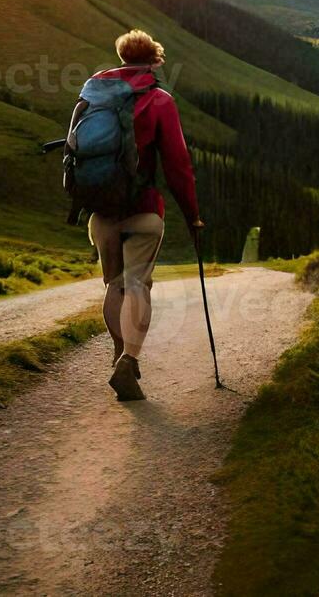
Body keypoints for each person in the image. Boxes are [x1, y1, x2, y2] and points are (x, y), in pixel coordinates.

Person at [86, 29, 202, 402]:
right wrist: (192, 215)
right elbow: (178, 166)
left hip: (102, 211)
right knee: (138, 285)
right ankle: (128, 357)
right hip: (144, 211)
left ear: (121, 58)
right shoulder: (159, 100)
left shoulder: (92, 96)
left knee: (114, 285)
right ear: (154, 60)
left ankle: (120, 354)